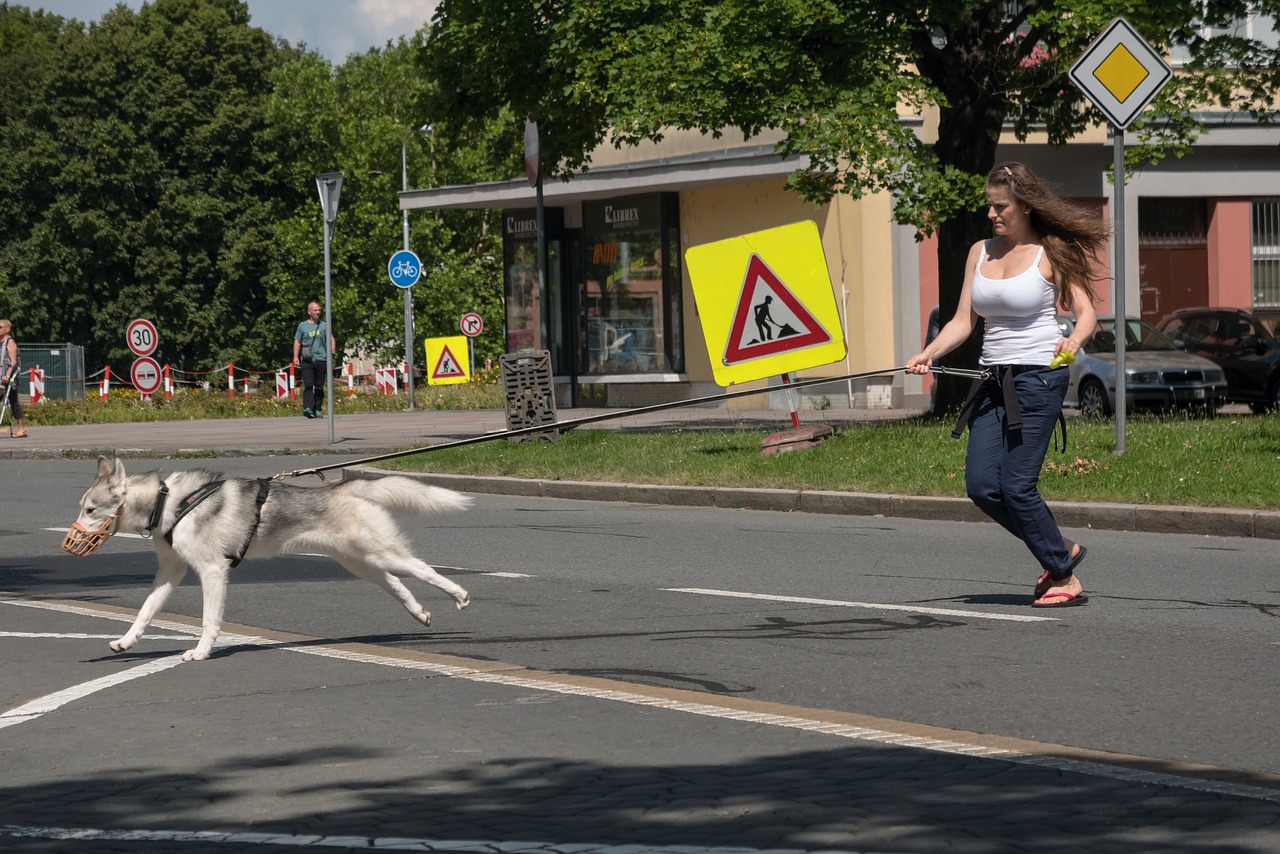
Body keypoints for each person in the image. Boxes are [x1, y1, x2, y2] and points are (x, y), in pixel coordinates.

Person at [906, 162, 1107, 608]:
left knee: (1017, 487)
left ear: (1026, 206)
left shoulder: (1049, 253)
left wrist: (1073, 340)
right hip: (992, 381)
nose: (993, 215)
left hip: (1038, 378)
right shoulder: (980, 252)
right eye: (990, 207)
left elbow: (1086, 312)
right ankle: (1061, 549)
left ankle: (1063, 576)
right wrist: (929, 354)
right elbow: (963, 320)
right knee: (981, 487)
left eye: (1001, 207)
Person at [292, 301, 335, 418]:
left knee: (319, 385)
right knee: (309, 384)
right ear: (309, 312)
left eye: (319, 310)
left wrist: (332, 349)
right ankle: (307, 408)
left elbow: (330, 338)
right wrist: (295, 356)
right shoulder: (302, 326)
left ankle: (317, 408)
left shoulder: (324, 325)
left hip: (321, 359)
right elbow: (297, 341)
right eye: (315, 310)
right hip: (307, 360)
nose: (318, 312)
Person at [0, 319, 28, 438]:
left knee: (13, 401)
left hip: (10, 378)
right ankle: (22, 429)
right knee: (13, 401)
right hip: (1, 377)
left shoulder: (9, 342)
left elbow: (13, 361)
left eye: (0, 327)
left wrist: (8, 374)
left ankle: (22, 429)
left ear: (7, 329)